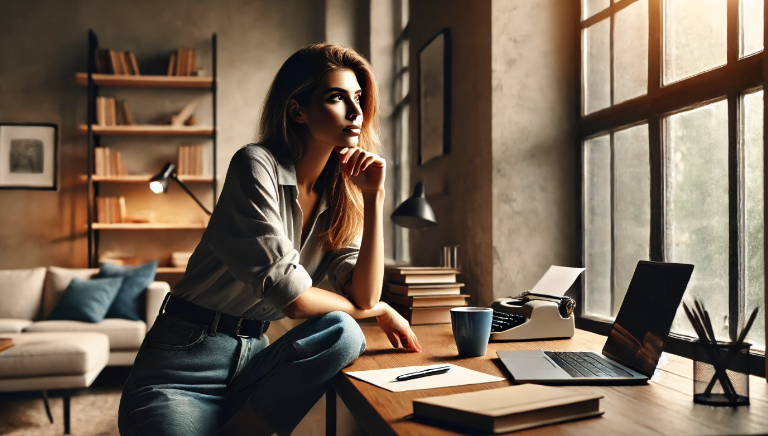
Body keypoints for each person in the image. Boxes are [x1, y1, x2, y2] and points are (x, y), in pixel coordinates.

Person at [118, 43, 422, 436]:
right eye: (336, 98)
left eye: (358, 98)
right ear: (298, 109)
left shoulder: (342, 195)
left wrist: (373, 196)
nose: (355, 111)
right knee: (351, 321)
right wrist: (379, 310)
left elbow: (362, 296)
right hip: (181, 368)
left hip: (253, 365)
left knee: (342, 332)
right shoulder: (255, 165)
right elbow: (294, 300)